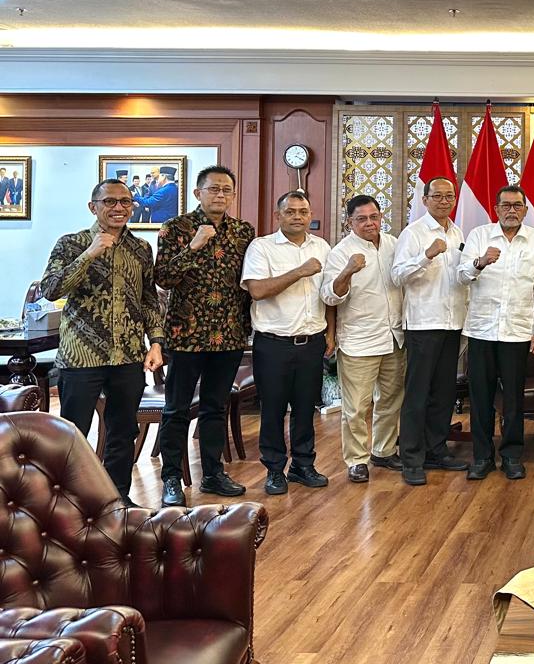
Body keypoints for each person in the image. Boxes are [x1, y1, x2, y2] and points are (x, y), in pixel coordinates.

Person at [40, 179, 164, 505]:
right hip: (82, 356)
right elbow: (51, 289)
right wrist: (89, 254)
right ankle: (68, 503)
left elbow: (149, 300)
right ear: (93, 206)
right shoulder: (72, 243)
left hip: (127, 355)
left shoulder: (141, 249)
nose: (118, 207)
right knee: (73, 433)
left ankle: (116, 500)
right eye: (109, 201)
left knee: (123, 432)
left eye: (125, 201)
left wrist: (156, 342)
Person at [154, 164, 255, 507]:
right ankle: (171, 477)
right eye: (214, 189)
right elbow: (163, 277)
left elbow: (249, 279)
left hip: (229, 333)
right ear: (198, 193)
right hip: (186, 334)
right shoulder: (176, 228)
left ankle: (213, 473)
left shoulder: (243, 231)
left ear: (233, 195)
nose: (220, 195)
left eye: (226, 190)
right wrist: (194, 246)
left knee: (215, 406)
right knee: (176, 408)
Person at [240, 190, 333, 495]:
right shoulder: (262, 247)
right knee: (273, 409)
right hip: (274, 344)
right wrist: (300, 271)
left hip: (312, 341)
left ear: (310, 215)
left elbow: (328, 295)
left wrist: (331, 333)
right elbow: (257, 290)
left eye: (303, 212)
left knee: (306, 408)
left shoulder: (322, 246)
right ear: (277, 215)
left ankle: (303, 466)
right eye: (290, 211)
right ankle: (274, 470)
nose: (297, 217)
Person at [458, 184, 534, 481]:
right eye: (506, 205)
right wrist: (480, 262)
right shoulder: (479, 236)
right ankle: (482, 457)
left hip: (518, 332)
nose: (512, 210)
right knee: (480, 397)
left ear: (525, 210)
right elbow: (461, 276)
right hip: (482, 330)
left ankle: (511, 455)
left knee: (513, 398)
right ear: (496, 209)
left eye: (517, 205)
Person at [322, 195, 405, 484]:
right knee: (356, 407)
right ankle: (357, 460)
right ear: (349, 222)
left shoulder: (394, 244)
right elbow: (329, 296)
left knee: (391, 400)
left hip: (394, 336)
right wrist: (347, 271)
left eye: (374, 217)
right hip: (359, 340)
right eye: (361, 219)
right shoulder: (340, 252)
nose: (369, 223)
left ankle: (383, 450)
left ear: (381, 217)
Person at [391, 177, 469, 485]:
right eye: (437, 196)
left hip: (452, 322)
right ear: (424, 200)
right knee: (417, 393)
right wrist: (426, 256)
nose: (443, 201)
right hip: (424, 324)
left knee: (444, 392)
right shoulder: (413, 233)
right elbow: (397, 275)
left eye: (449, 196)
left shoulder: (457, 232)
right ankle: (412, 457)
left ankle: (437, 450)